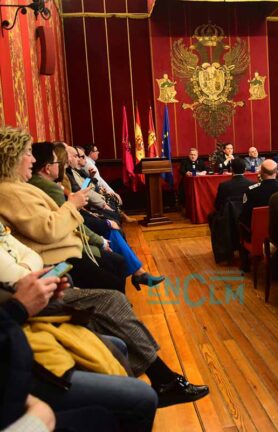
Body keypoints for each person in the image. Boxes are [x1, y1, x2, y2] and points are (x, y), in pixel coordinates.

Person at [0, 221, 210, 410]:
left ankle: (161, 378)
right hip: (27, 301)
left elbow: (30, 255)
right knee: (112, 299)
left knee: (114, 298)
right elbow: (46, 233)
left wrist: (25, 269)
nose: (27, 173)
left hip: (45, 276)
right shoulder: (17, 191)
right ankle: (161, 379)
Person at [0, 127, 157, 292]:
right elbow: (49, 229)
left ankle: (135, 280)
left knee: (115, 249)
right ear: (13, 156)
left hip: (67, 250)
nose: (32, 160)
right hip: (62, 258)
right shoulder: (12, 191)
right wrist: (73, 205)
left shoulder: (20, 187)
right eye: (27, 153)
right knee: (113, 275)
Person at [29, 141, 165, 289]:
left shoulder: (77, 171)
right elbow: (82, 191)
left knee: (113, 220)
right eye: (75, 156)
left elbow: (89, 186)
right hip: (86, 212)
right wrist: (98, 196)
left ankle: (137, 271)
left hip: (89, 206)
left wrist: (93, 180)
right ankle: (137, 272)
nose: (78, 159)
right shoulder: (68, 175)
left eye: (79, 156)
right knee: (112, 221)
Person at [240, 159, 278, 235]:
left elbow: (245, 217)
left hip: (257, 235)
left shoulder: (251, 191)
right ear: (277, 172)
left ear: (260, 172)